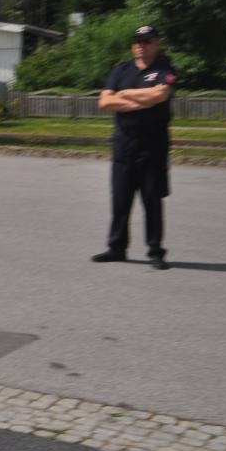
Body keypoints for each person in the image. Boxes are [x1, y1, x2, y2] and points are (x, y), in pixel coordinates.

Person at [91, 25, 176, 270]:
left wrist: (125, 94)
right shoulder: (121, 70)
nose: (141, 45)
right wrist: (141, 100)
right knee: (120, 200)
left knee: (152, 201)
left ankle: (155, 251)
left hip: (153, 147)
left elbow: (159, 96)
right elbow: (104, 102)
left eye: (147, 40)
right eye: (138, 41)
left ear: (156, 43)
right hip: (124, 145)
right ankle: (117, 248)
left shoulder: (165, 68)